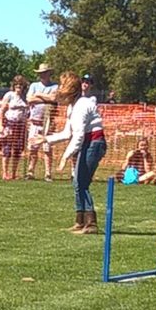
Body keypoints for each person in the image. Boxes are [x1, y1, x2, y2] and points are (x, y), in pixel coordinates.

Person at [32, 71, 107, 234]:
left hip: (95, 142)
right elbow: (67, 133)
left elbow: (78, 135)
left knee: (82, 182)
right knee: (77, 182)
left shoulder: (81, 106)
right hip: (88, 142)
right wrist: (45, 139)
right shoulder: (73, 106)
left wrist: (65, 157)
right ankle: (80, 221)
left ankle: (91, 223)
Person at [26, 63, 58, 181]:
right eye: (40, 73)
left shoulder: (55, 86)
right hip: (35, 122)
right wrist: (45, 98)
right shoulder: (34, 85)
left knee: (47, 148)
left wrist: (38, 95)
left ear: (49, 73)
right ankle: (30, 171)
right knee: (32, 148)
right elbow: (29, 99)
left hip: (49, 121)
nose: (42, 75)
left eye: (44, 73)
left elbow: (54, 99)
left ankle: (48, 173)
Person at [0, 75, 29, 180]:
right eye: (17, 85)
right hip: (9, 124)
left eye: (21, 85)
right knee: (7, 148)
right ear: (14, 86)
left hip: (20, 125)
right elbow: (2, 109)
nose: (19, 87)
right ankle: (5, 173)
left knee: (18, 149)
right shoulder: (9, 95)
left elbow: (28, 110)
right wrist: (2, 125)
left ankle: (14, 173)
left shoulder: (25, 97)